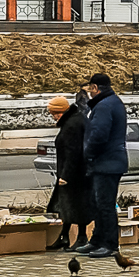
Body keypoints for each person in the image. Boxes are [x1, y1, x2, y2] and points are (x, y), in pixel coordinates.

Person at [78, 73, 128, 258]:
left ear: (96, 88)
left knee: (105, 205)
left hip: (107, 163)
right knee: (98, 204)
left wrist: (88, 155)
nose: (90, 92)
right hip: (109, 162)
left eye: (91, 88)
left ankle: (110, 244)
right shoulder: (111, 102)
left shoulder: (104, 106)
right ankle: (97, 241)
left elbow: (99, 135)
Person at [43, 96, 92, 251]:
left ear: (60, 111)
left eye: (54, 113)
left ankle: (81, 237)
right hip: (76, 172)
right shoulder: (74, 120)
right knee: (66, 206)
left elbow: (73, 153)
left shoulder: (72, 125)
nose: (53, 117)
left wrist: (65, 175)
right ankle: (64, 236)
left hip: (75, 174)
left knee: (76, 205)